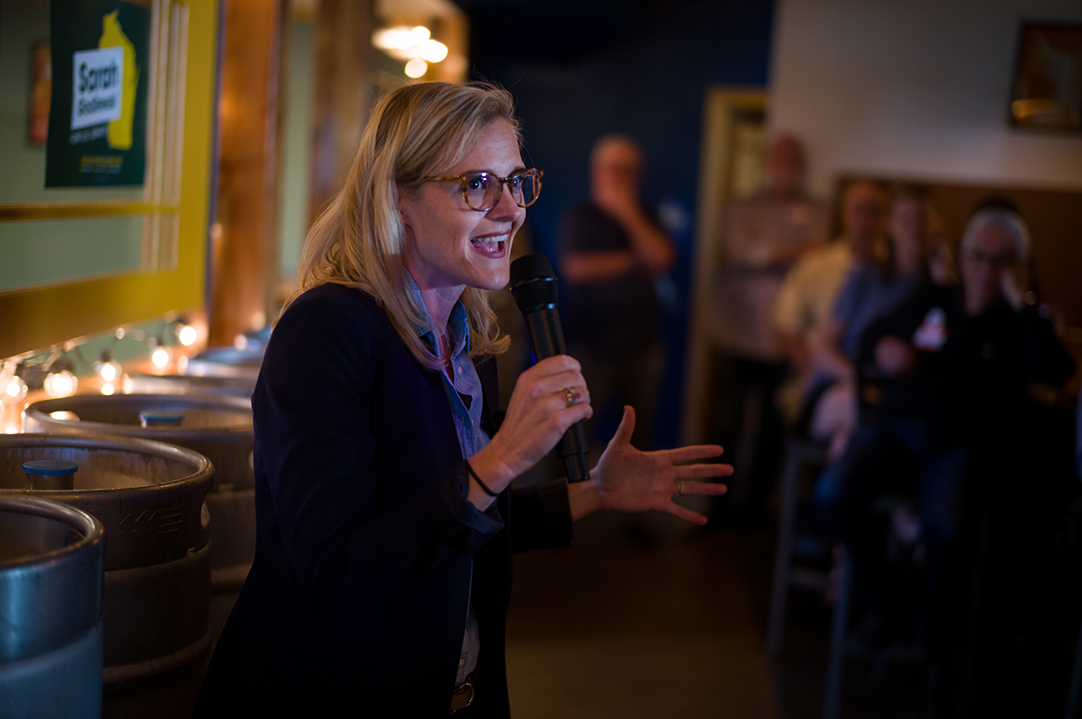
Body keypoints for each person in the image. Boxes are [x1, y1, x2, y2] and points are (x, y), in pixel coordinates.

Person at [194, 82, 730, 718]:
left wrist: (593, 492)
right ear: (397, 198)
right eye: (477, 184)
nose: (510, 211)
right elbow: (338, 570)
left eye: (516, 182)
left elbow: (461, 522)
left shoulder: (469, 339)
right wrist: (503, 458)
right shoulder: (328, 330)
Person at [815, 201, 1074, 660]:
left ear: (1018, 266)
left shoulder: (1020, 322)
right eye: (977, 256)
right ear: (963, 255)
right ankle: (888, 604)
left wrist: (1021, 300)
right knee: (833, 493)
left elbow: (1054, 373)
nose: (985, 270)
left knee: (947, 526)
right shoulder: (934, 298)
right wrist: (885, 347)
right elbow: (871, 335)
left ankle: (931, 629)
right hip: (894, 432)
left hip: (959, 446)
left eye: (1001, 260)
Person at [708, 133, 828, 521]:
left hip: (784, 338)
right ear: (766, 162)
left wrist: (766, 249)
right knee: (727, 423)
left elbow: (818, 255)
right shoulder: (742, 205)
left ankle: (753, 512)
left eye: (791, 157)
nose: (783, 164)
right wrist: (790, 250)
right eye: (778, 156)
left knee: (771, 430)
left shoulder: (817, 209)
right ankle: (717, 509)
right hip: (737, 332)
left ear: (801, 165)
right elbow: (742, 250)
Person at [557, 135, 676, 450]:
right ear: (597, 171)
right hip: (590, 347)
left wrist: (627, 213)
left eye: (628, 170)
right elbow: (577, 268)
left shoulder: (646, 214)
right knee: (577, 433)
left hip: (642, 346)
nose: (621, 177)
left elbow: (662, 258)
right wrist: (635, 260)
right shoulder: (580, 216)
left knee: (639, 435)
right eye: (613, 168)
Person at [808, 187, 940, 457]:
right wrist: (857, 379)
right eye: (905, 220)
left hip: (900, 398)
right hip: (843, 388)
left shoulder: (938, 292)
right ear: (890, 226)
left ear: (934, 227)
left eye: (922, 220)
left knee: (848, 440)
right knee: (862, 411)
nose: (914, 229)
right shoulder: (864, 278)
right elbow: (822, 347)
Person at [772, 179, 889, 430]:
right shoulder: (816, 265)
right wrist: (816, 370)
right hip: (825, 378)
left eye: (875, 211)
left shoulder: (895, 272)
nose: (866, 221)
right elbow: (786, 325)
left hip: (877, 384)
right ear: (844, 213)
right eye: (859, 210)